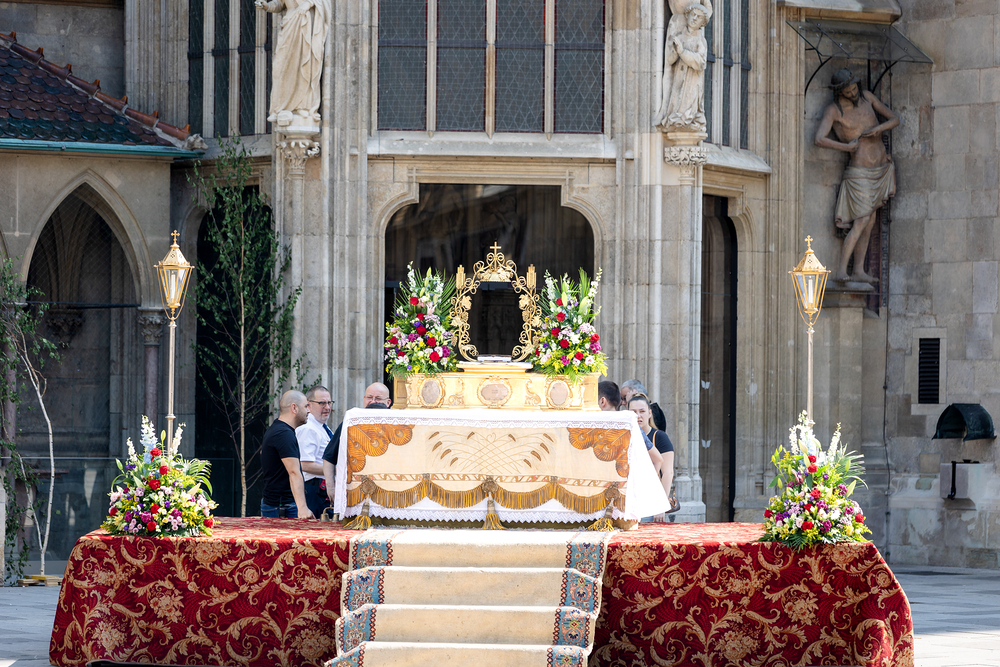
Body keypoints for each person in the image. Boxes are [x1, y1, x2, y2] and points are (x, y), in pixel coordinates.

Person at [814, 68, 899, 284]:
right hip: (859, 173)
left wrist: (879, 129)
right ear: (839, 92)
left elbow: (895, 119)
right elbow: (819, 138)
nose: (853, 93)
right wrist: (846, 147)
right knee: (861, 220)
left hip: (880, 170)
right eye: (848, 91)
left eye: (854, 89)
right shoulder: (834, 111)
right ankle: (842, 270)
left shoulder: (867, 98)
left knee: (870, 221)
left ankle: (859, 270)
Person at [255, 0, 331, 128]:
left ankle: (302, 106)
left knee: (303, 64)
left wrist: (309, 3)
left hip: (305, 23)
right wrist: (267, 6)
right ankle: (279, 107)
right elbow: (280, 4)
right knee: (280, 66)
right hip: (289, 23)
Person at [322, 382, 393, 506]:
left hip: (389, 492)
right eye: (369, 397)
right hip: (355, 493)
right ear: (364, 399)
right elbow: (329, 457)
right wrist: (331, 488)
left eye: (378, 398)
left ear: (388, 402)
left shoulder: (397, 423)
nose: (373, 402)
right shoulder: (351, 422)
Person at [653, 1, 712, 131]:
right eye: (693, 15)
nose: (694, 18)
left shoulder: (700, 40)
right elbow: (670, 61)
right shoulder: (679, 35)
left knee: (689, 101)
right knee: (676, 94)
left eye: (698, 17)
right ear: (687, 16)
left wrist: (683, 52)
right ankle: (669, 113)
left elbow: (700, 62)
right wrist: (675, 52)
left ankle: (688, 118)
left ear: (702, 23)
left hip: (692, 80)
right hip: (679, 78)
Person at [260, 390, 315, 519]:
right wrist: (302, 508)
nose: (309, 411)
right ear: (294, 408)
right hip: (281, 507)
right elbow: (294, 472)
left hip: (279, 505)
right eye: (306, 406)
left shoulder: (280, 430)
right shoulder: (283, 434)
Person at [599, 380, 664, 475]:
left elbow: (658, 460)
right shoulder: (628, 422)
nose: (623, 402)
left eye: (625, 398)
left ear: (602, 401)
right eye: (622, 399)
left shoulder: (629, 424)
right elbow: (658, 459)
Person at [629, 393, 676, 517]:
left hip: (651, 501)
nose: (638, 416)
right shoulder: (625, 436)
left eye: (642, 411)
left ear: (649, 413)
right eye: (633, 412)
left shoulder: (659, 437)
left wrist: (661, 506)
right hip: (629, 500)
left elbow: (668, 472)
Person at [296, 384, 334, 518]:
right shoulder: (308, 428)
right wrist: (335, 470)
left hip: (322, 491)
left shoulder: (321, 427)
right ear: (309, 405)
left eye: (329, 403)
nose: (327, 407)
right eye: (322, 403)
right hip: (314, 490)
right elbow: (304, 464)